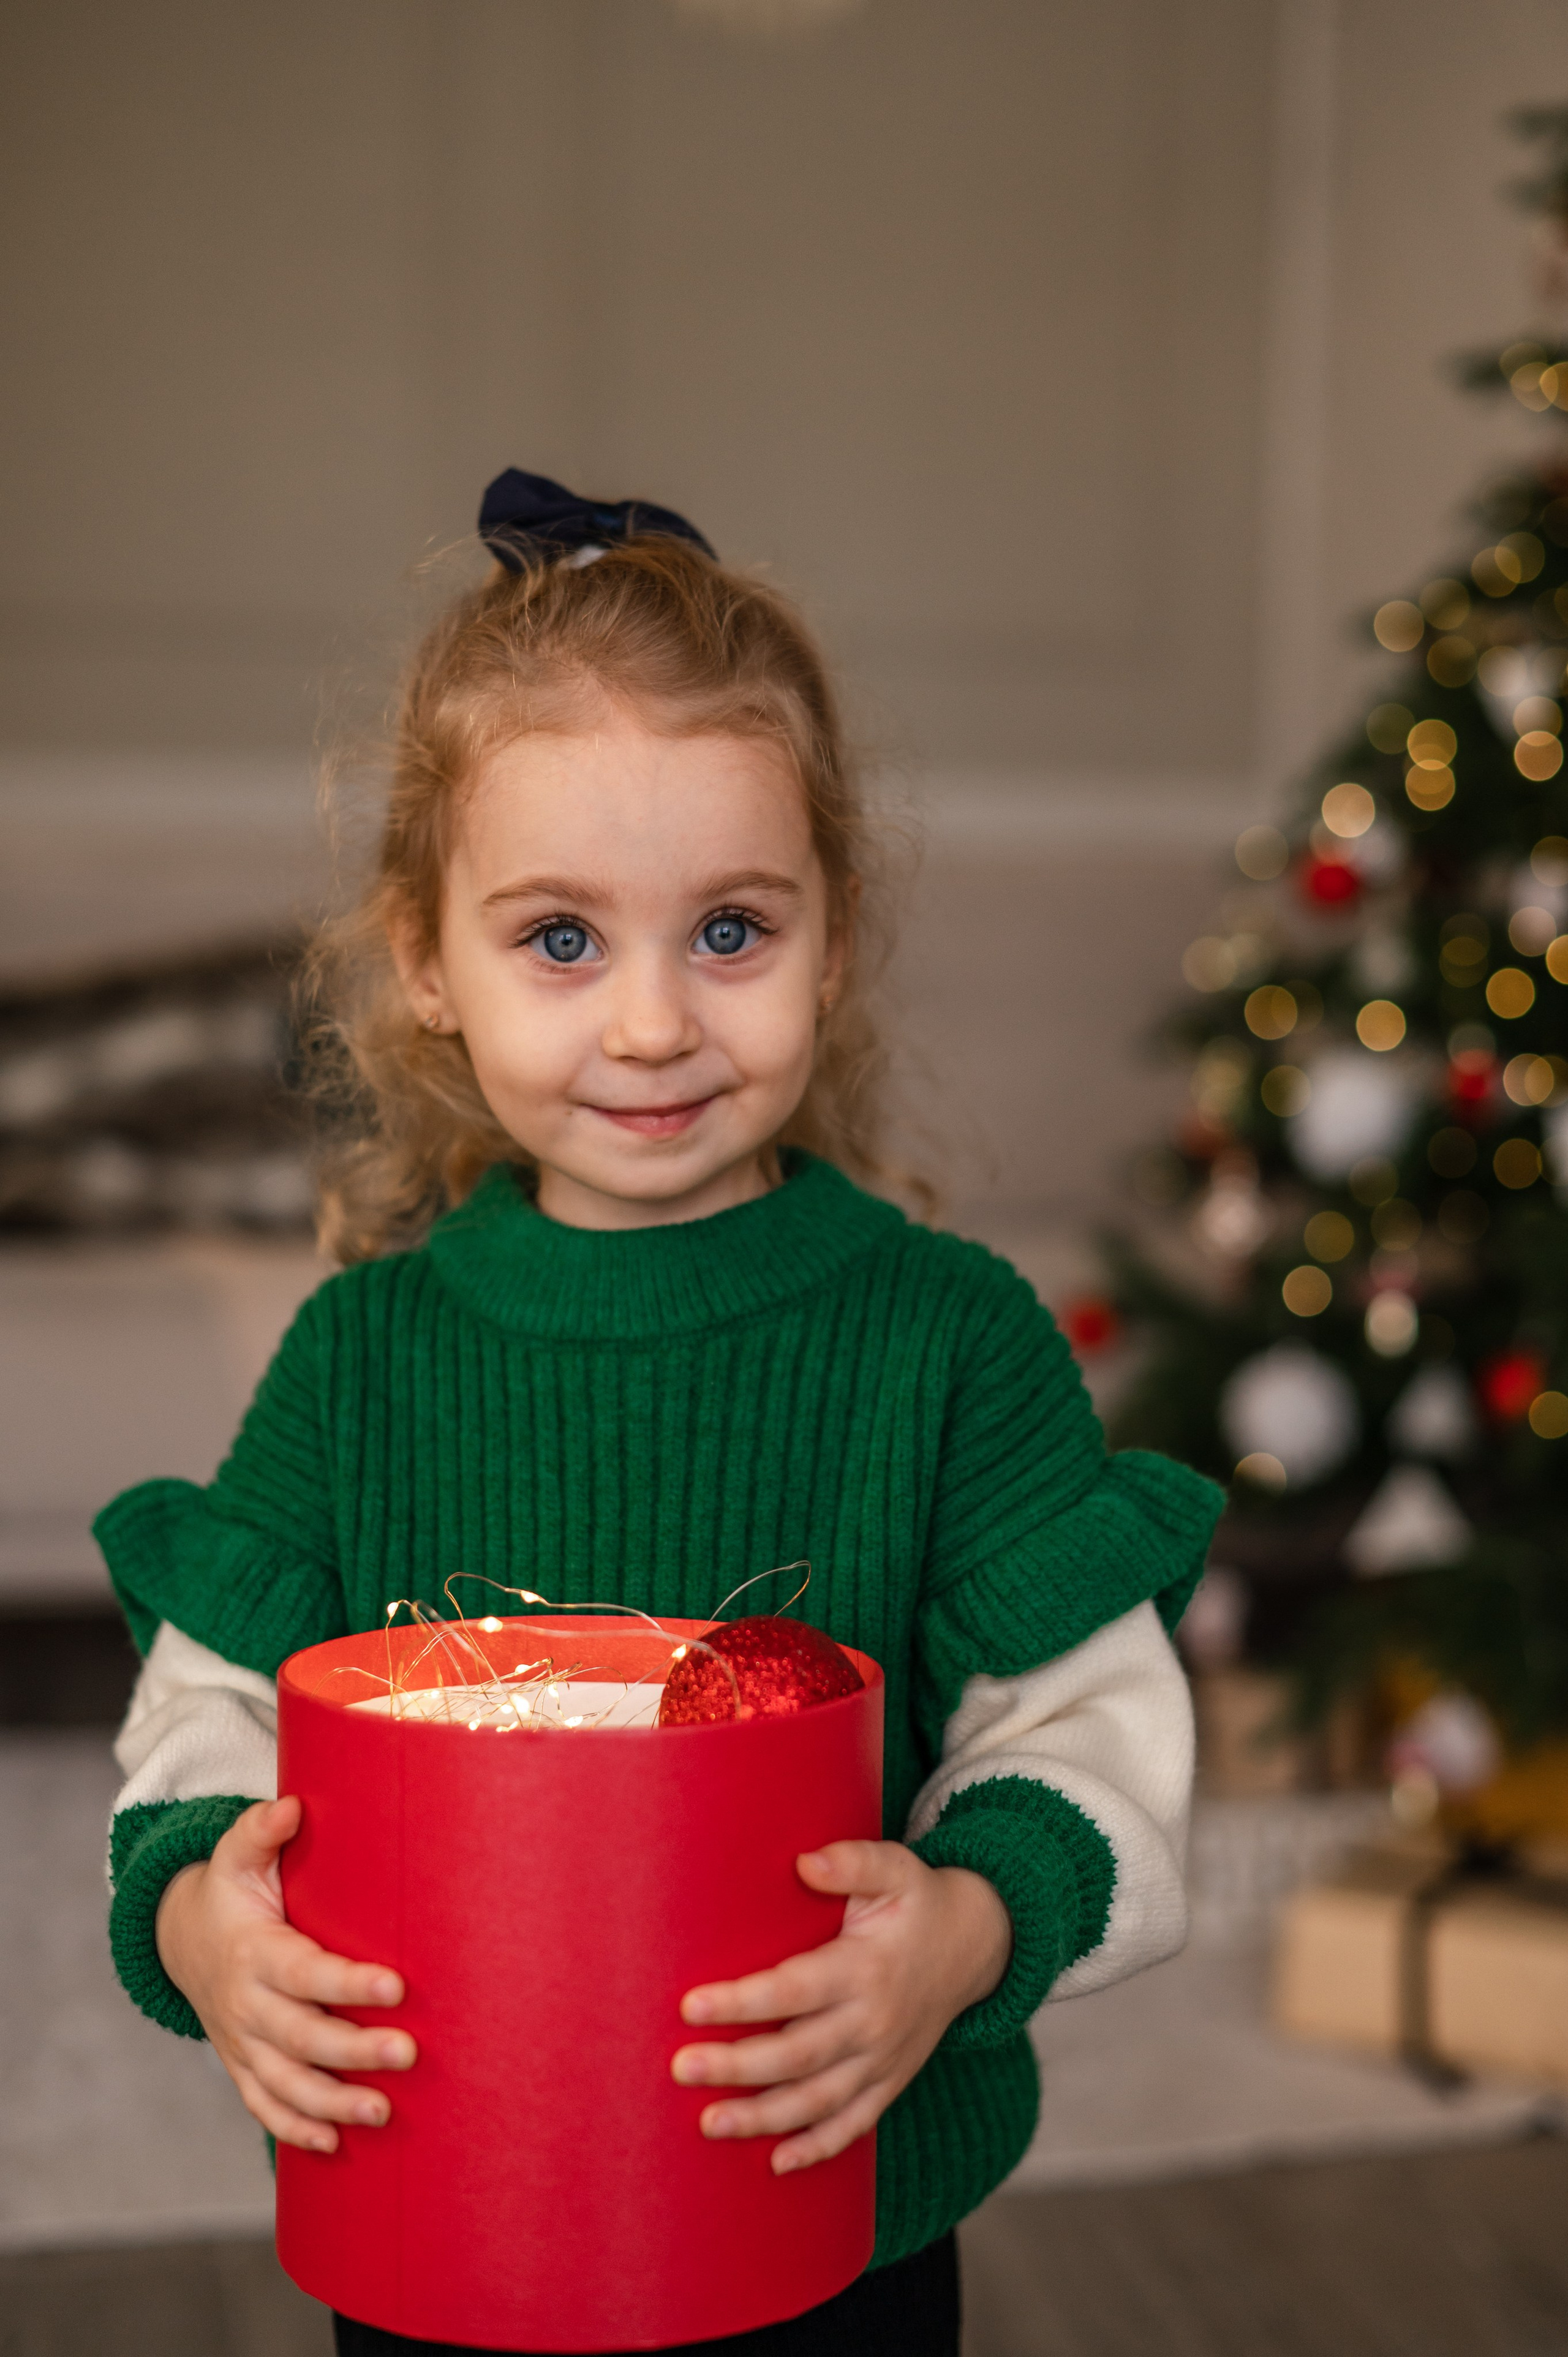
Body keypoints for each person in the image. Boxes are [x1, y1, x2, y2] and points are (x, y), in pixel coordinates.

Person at [99, 470, 1224, 2357]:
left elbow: (1092, 1726)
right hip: (441, 2201)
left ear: (834, 937)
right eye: (559, 940)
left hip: (826, 2210)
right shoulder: (362, 1358)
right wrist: (201, 1918)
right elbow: (204, 1719)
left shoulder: (949, 1342)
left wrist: (969, 1925)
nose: (648, 1025)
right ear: (425, 964)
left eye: (729, 932)